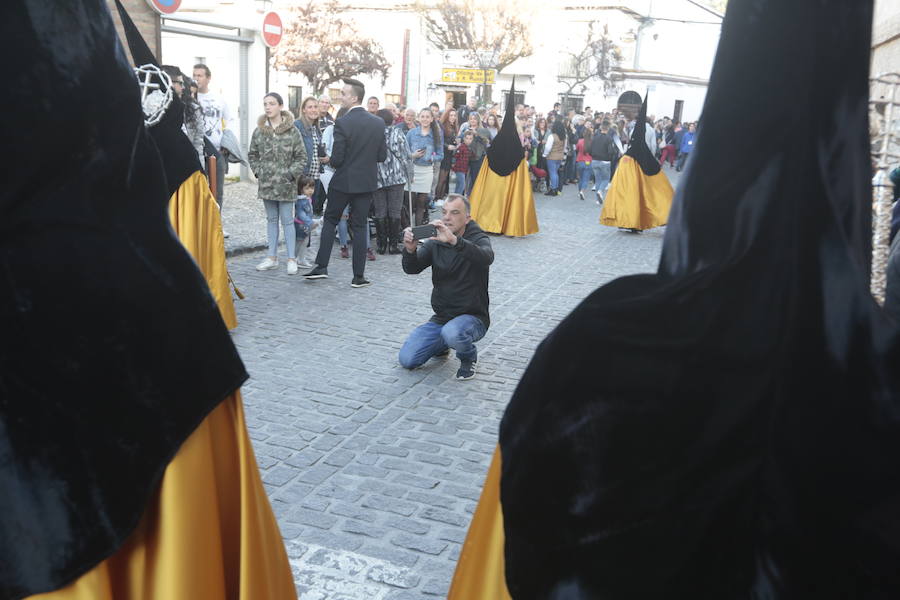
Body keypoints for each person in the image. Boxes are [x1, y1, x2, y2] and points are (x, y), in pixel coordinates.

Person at [399, 195, 494, 380]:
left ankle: (468, 358)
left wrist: (454, 241)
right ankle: (442, 344)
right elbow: (412, 269)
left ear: (467, 218)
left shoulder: (478, 237)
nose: (447, 217)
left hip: (473, 317)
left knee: (453, 333)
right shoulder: (436, 240)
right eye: (444, 212)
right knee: (407, 359)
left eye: (455, 213)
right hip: (442, 317)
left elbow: (486, 257)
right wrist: (410, 250)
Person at [304, 78, 387, 288]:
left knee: (331, 220)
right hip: (366, 182)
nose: (340, 96)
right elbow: (381, 156)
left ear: (354, 97)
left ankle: (321, 266)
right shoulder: (377, 123)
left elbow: (338, 160)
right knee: (360, 226)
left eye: (343, 93)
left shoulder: (342, 122)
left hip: (343, 181)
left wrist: (329, 159)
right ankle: (358, 276)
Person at [247, 92, 307, 274]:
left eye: (271, 103)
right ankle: (271, 257)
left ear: (280, 106)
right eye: (265, 103)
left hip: (286, 185)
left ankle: (291, 259)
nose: (267, 107)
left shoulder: (292, 131)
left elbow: (301, 156)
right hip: (267, 185)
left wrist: (290, 175)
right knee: (271, 220)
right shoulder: (259, 131)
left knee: (287, 221)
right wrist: (259, 172)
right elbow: (252, 154)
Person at [192, 63, 231, 209]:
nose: (196, 79)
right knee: (199, 191)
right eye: (194, 75)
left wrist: (226, 143)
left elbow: (230, 120)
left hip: (217, 151)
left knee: (217, 191)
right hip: (197, 152)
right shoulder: (191, 97)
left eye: (200, 75)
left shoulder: (219, 98)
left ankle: (217, 226)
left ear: (208, 78)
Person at [374, 108, 412, 255]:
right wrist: (410, 174)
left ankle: (381, 245)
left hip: (378, 176)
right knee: (395, 210)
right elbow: (406, 155)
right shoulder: (397, 132)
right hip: (396, 177)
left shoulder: (374, 134)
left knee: (380, 210)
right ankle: (393, 245)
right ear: (392, 120)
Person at [405, 107, 444, 226]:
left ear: (432, 119)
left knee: (421, 204)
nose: (425, 119)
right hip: (412, 170)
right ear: (418, 118)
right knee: (409, 203)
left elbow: (440, 155)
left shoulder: (436, 135)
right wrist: (413, 155)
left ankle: (418, 233)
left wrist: (431, 158)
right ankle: (407, 232)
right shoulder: (411, 133)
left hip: (427, 171)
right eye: (422, 116)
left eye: (427, 117)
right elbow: (404, 153)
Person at [589, 120, 618, 204]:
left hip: (594, 160)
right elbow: (611, 151)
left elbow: (590, 149)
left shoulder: (595, 137)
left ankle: (598, 200)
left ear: (601, 128)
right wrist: (611, 156)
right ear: (608, 128)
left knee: (598, 180)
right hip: (605, 161)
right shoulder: (609, 138)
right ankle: (600, 191)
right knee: (606, 179)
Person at [294, 176, 316, 268]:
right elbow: (301, 214)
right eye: (307, 188)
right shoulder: (301, 201)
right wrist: (310, 222)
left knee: (305, 242)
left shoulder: (307, 199)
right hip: (300, 225)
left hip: (305, 225)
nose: (310, 190)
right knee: (299, 242)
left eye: (312, 188)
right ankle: (294, 259)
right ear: (301, 189)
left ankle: (301, 259)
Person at [542, 119, 566, 196]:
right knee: (555, 173)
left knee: (552, 173)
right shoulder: (563, 137)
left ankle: (553, 189)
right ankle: (556, 189)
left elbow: (548, 147)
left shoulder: (552, 136)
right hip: (560, 157)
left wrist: (544, 155)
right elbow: (564, 147)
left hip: (552, 157)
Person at [452, 129, 474, 195]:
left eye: (470, 139)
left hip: (464, 169)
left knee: (459, 184)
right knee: (462, 184)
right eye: (467, 138)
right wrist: (453, 165)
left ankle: (455, 197)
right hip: (459, 169)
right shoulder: (461, 147)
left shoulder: (469, 148)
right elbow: (455, 156)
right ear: (464, 138)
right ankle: (457, 198)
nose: (468, 140)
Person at [575, 127, 593, 201]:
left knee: (581, 178)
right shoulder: (592, 142)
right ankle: (582, 191)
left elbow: (576, 149)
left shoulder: (580, 141)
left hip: (580, 161)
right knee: (586, 179)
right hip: (589, 161)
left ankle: (580, 192)